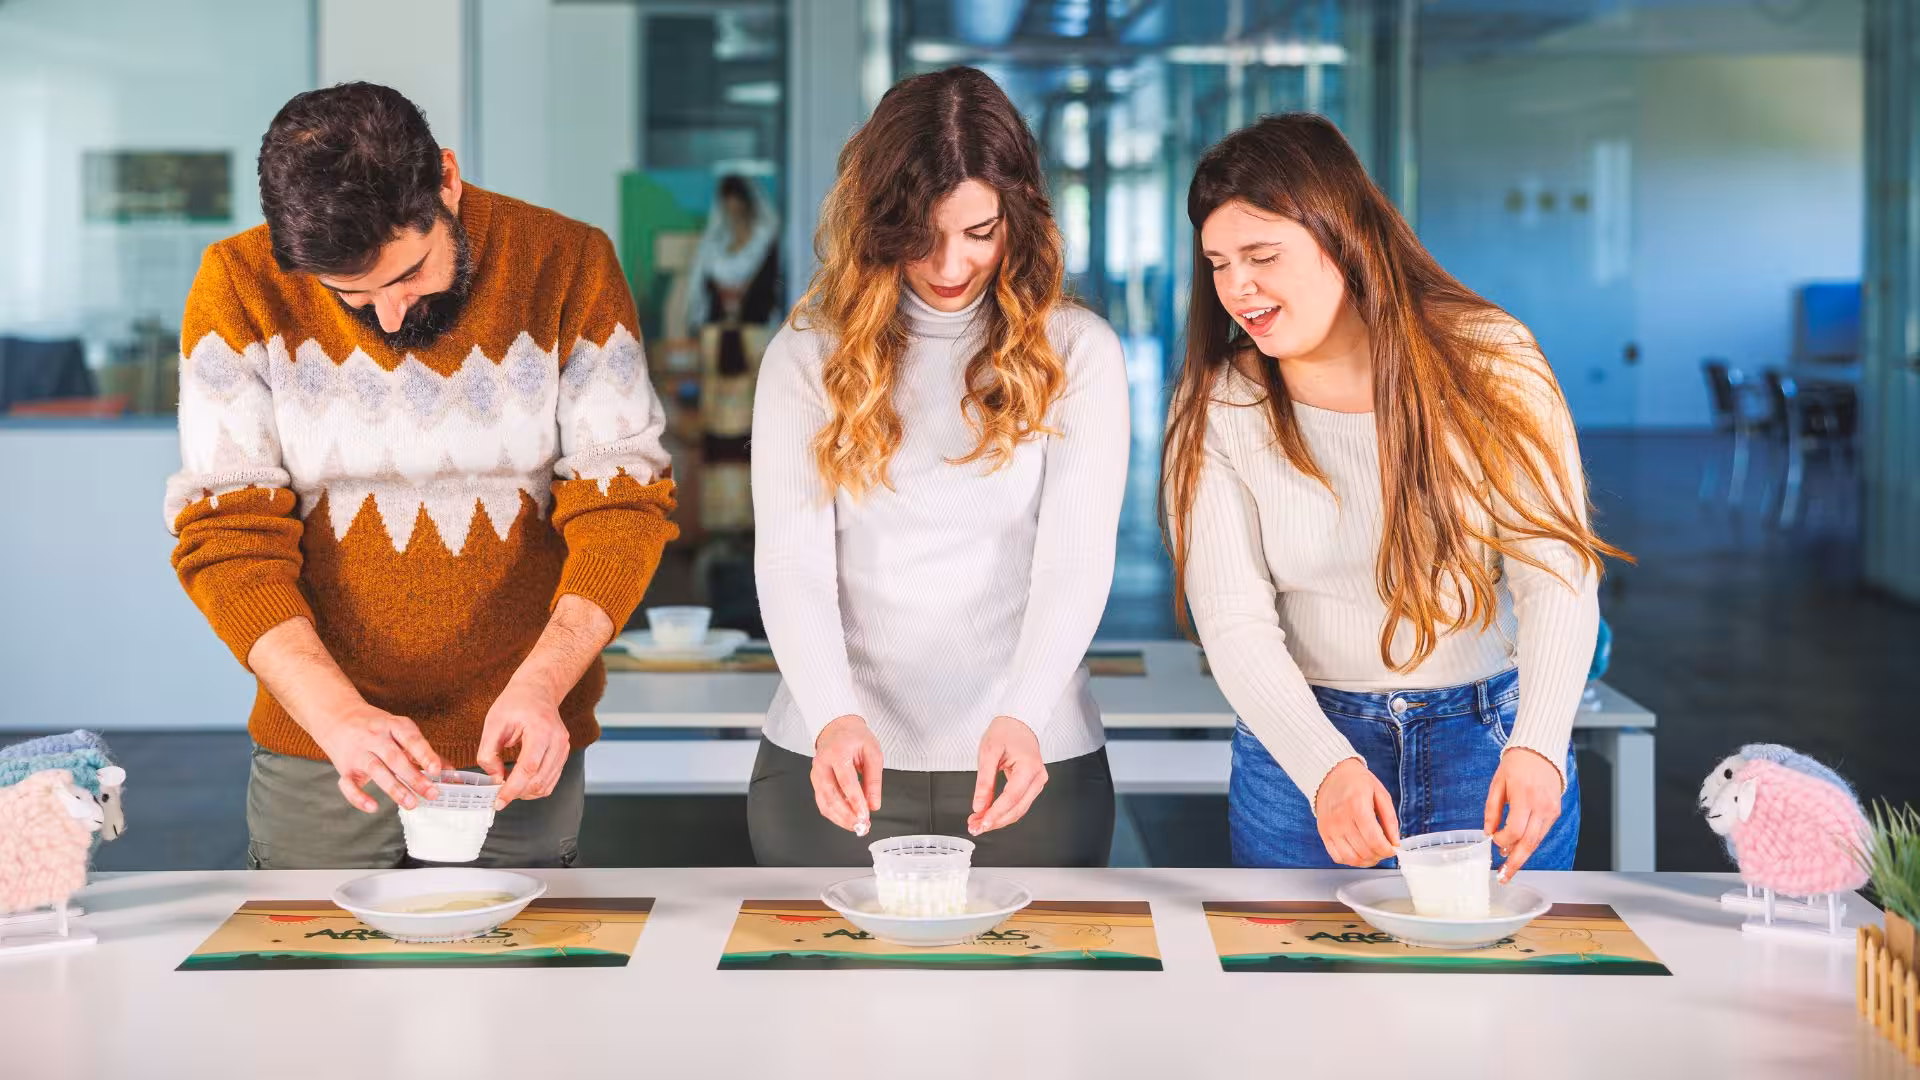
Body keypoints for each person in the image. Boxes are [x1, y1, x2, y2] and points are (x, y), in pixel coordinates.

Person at [164, 82, 677, 869]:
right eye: (352, 295)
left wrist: (546, 683)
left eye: (409, 274)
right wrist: (335, 715)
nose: (391, 318)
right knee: (314, 945)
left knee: (522, 943)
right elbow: (227, 535)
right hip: (323, 741)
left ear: (448, 181)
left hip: (520, 730)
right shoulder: (238, 282)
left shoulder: (568, 262)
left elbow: (623, 503)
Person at [1162, 113, 1625, 877]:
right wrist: (1325, 767)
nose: (1237, 286)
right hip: (1303, 750)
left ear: (1341, 236)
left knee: (1500, 960)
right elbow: (1231, 617)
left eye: (1262, 255)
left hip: (1489, 739)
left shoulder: (1488, 359)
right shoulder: (1221, 399)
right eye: (1218, 263)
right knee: (1302, 962)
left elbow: (1557, 575)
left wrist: (1540, 744)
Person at [748, 67, 1130, 867]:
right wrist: (834, 716)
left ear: (1018, 216)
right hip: (834, 762)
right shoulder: (807, 356)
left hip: (1032, 764)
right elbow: (792, 566)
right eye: (921, 235)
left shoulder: (1077, 351)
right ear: (877, 221)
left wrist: (1023, 713)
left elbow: (1073, 562)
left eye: (980, 233)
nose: (951, 265)